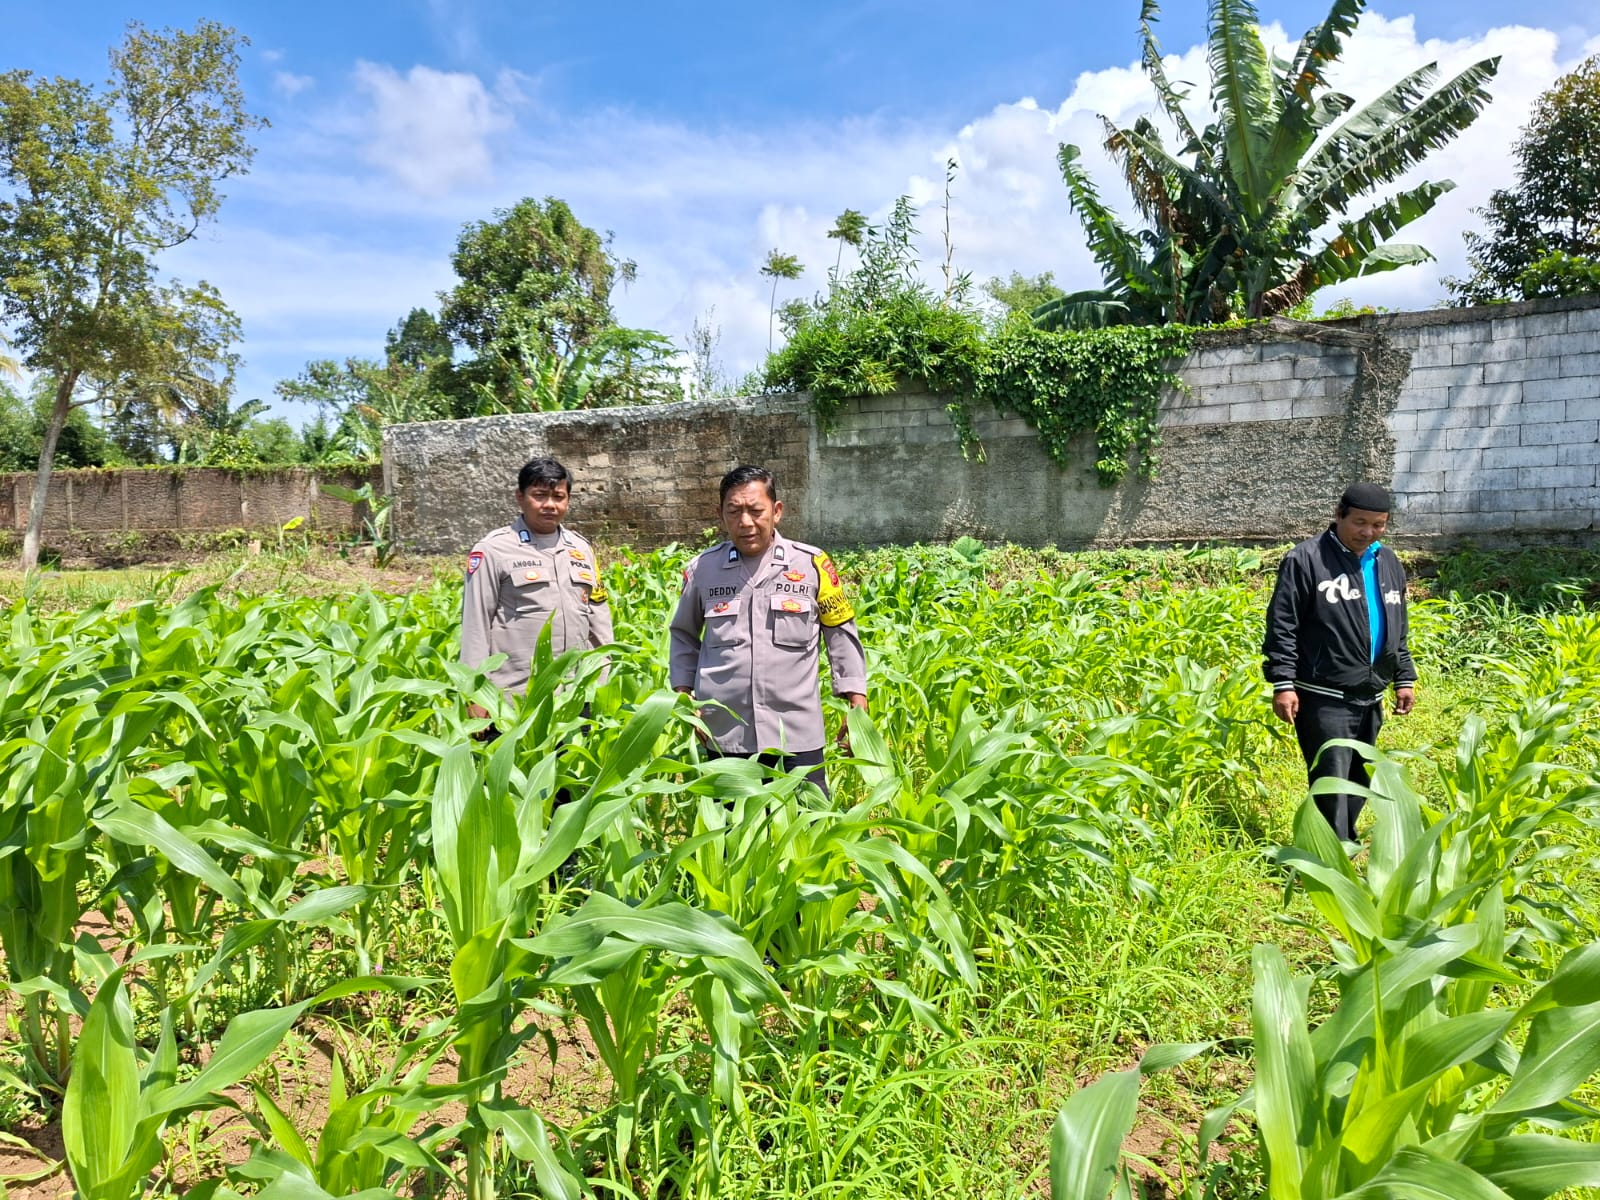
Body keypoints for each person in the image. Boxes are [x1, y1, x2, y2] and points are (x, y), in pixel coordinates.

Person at [669, 464, 868, 793]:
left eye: (755, 510)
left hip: (796, 732)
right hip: (726, 733)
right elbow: (683, 635)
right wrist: (684, 697)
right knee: (731, 822)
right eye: (734, 511)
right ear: (721, 515)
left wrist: (856, 699)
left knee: (808, 819)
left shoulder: (812, 565)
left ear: (776, 511)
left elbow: (840, 633)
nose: (745, 522)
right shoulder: (703, 569)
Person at [1262, 482, 1416, 842]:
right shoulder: (1306, 559)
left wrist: (1404, 677)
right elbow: (1283, 625)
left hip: (1371, 694)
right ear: (1338, 515)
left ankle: (1343, 841)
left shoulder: (1388, 562)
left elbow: (1398, 626)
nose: (1368, 532)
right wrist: (1283, 682)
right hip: (1323, 694)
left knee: (1360, 776)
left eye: (1378, 525)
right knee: (1331, 780)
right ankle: (1327, 854)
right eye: (1359, 522)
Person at [460, 457, 612, 733]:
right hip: (514, 699)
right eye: (539, 495)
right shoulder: (493, 550)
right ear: (520, 497)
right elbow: (475, 624)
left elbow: (598, 618)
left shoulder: (581, 549)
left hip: (573, 697)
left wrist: (601, 679)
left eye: (558, 497)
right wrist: (476, 694)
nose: (550, 505)